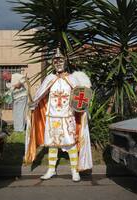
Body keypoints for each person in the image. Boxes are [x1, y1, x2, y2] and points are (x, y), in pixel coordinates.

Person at [24, 48, 93, 182]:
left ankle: (74, 171)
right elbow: (40, 95)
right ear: (52, 63)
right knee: (52, 143)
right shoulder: (50, 78)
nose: (58, 63)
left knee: (71, 143)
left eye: (60, 60)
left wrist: (83, 109)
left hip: (68, 116)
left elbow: (81, 96)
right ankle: (51, 170)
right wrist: (34, 104)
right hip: (52, 117)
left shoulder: (73, 79)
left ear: (65, 62)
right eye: (55, 61)